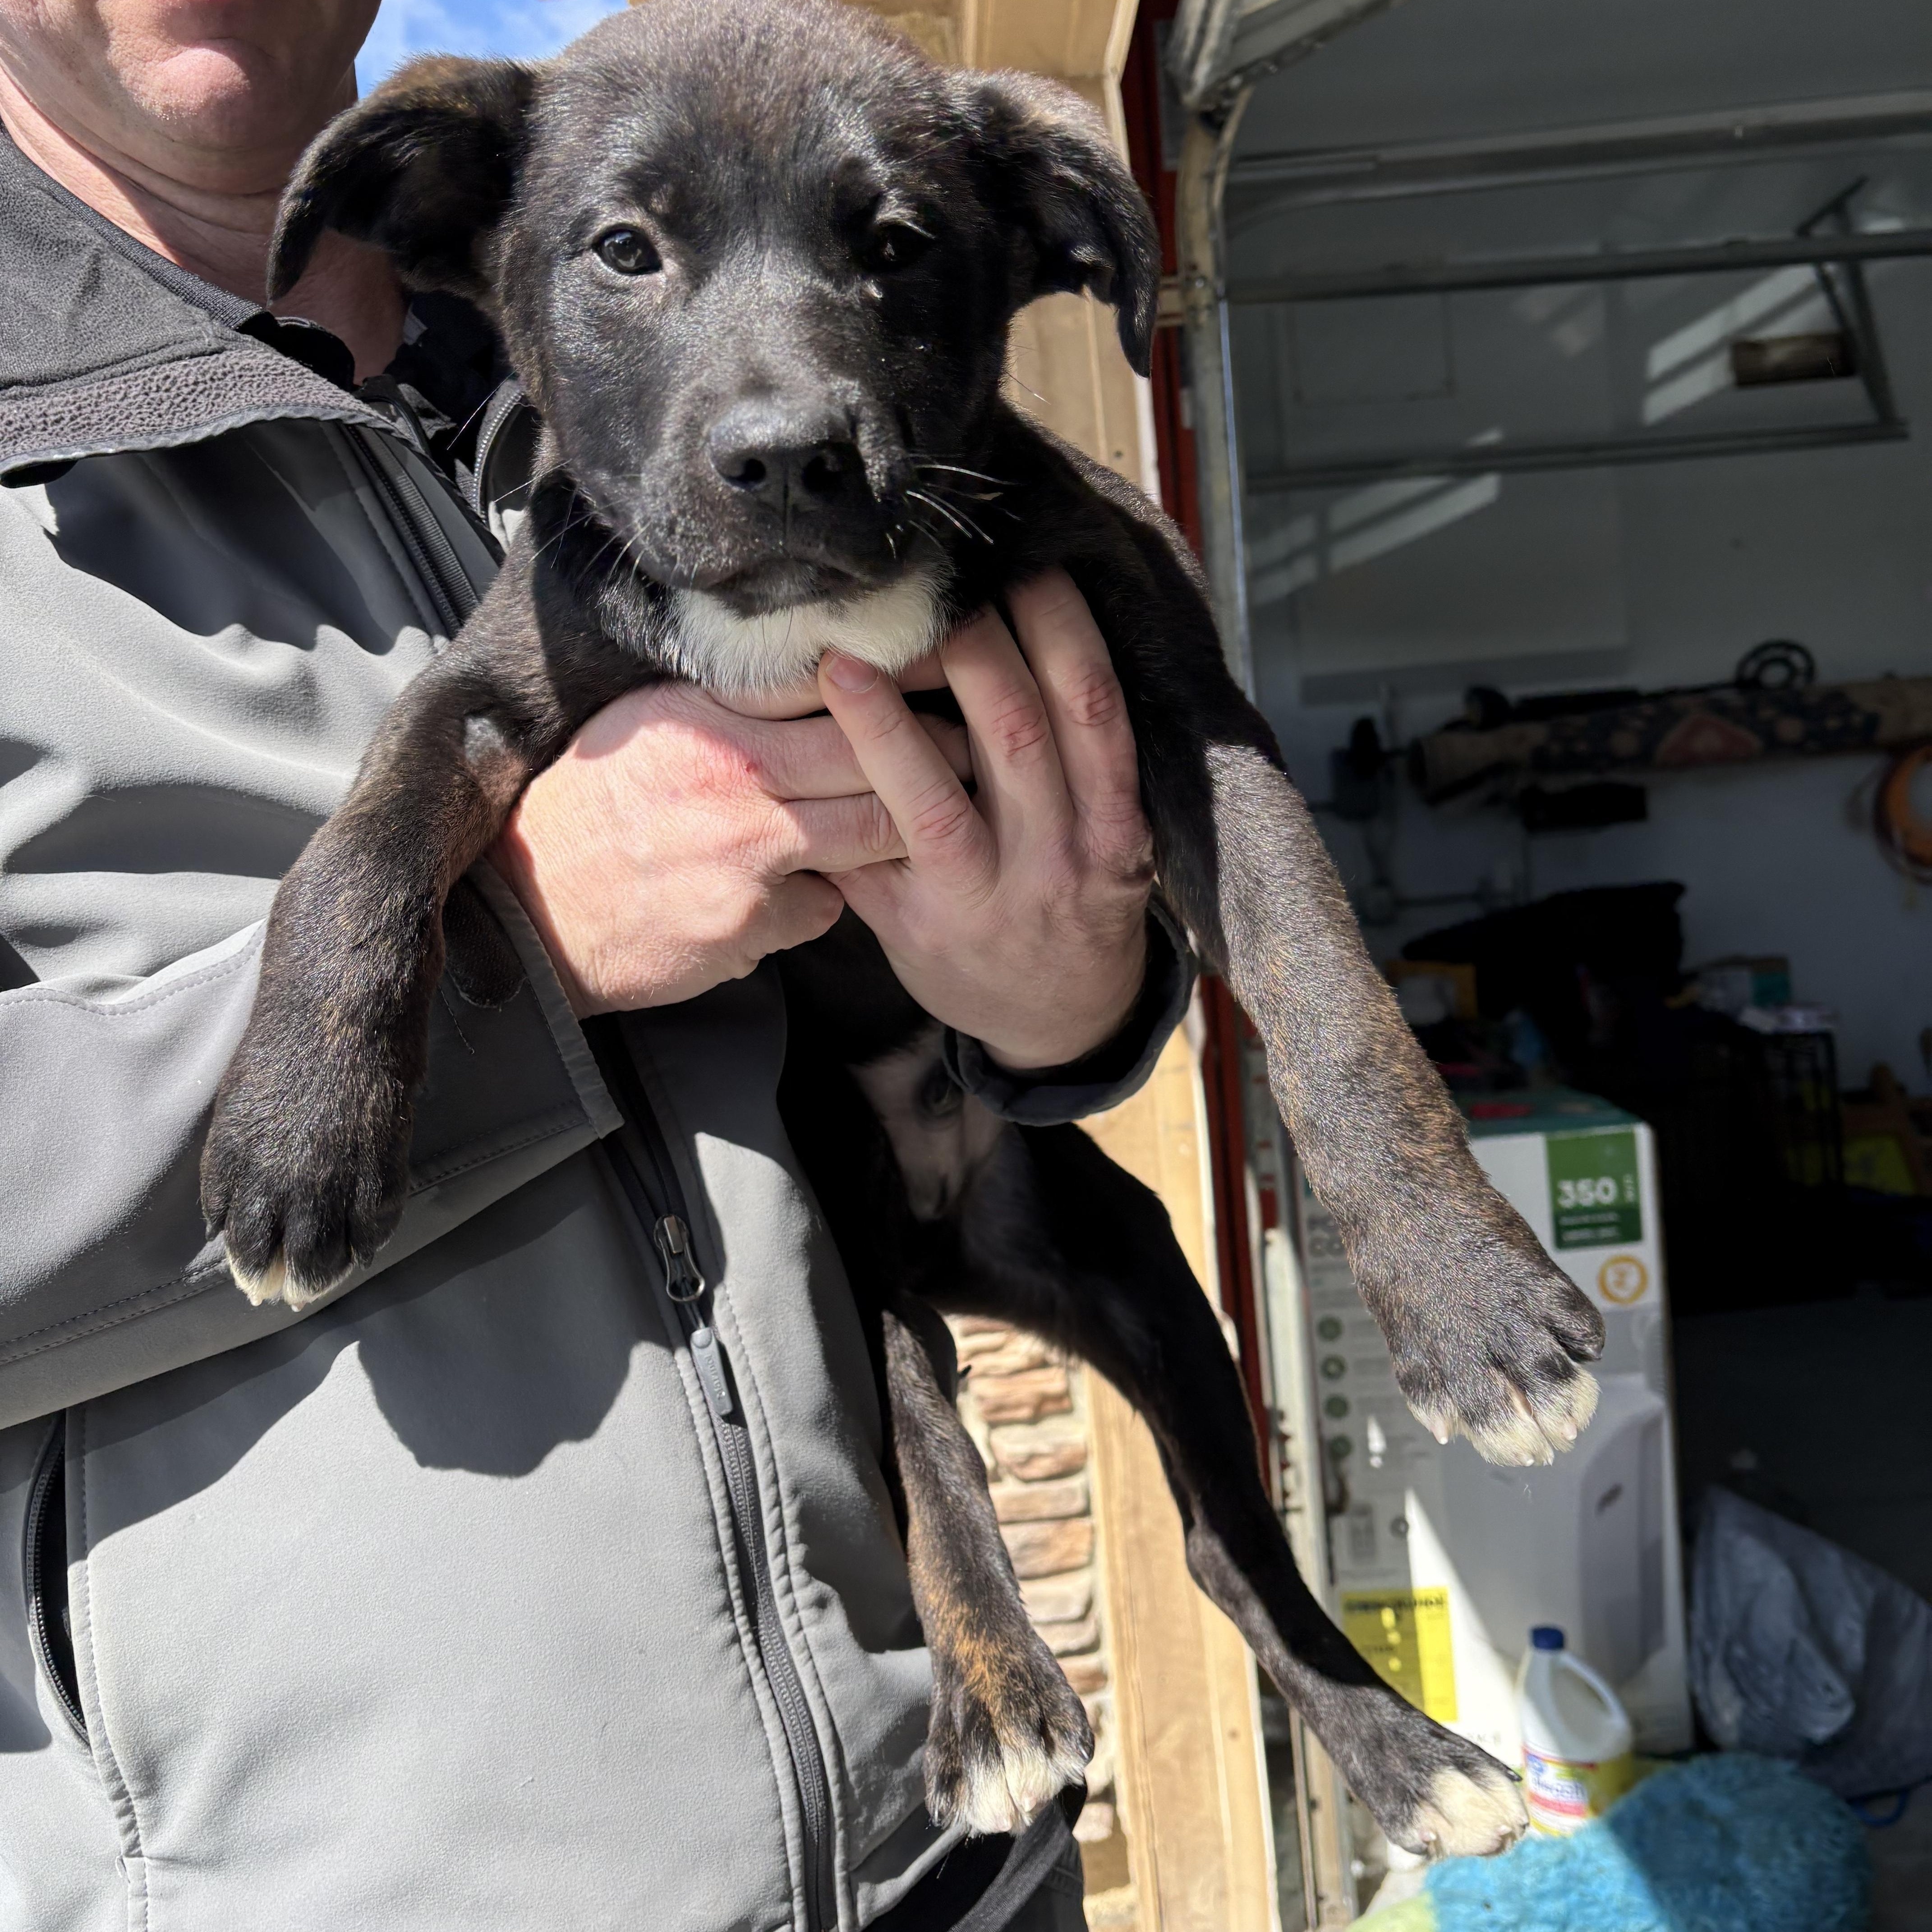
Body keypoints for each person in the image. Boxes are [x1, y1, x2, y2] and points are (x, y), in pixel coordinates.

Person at [0, 4, 1192, 1928]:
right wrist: (526, 946)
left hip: (949, 1857)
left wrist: (1060, 1007)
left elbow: (910, 1001)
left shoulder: (665, 310)